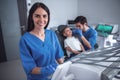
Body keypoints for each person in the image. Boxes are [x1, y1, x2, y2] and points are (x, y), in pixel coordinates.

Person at [19, 2, 64, 80]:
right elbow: (30, 68)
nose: (41, 20)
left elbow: (58, 56)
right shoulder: (25, 40)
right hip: (38, 77)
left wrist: (65, 68)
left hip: (55, 75)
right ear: (31, 17)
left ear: (48, 17)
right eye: (37, 16)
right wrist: (49, 70)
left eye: (44, 16)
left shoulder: (51, 34)